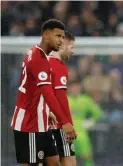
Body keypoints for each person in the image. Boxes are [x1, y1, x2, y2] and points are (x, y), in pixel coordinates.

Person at [10, 19, 77, 166]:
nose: (60, 40)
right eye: (57, 36)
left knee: (53, 161)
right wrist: (65, 122)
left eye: (62, 37)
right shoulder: (39, 59)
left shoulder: (38, 54)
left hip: (41, 121)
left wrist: (48, 112)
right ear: (46, 35)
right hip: (30, 124)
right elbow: (48, 93)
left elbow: (37, 91)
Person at [47, 31, 77, 166]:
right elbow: (60, 98)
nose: (73, 52)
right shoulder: (58, 66)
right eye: (72, 47)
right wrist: (68, 123)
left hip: (46, 123)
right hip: (57, 125)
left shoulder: (43, 63)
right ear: (63, 44)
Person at [67, 81, 104, 166]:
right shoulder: (64, 99)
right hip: (67, 131)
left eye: (76, 87)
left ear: (80, 88)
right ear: (69, 89)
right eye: (72, 88)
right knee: (68, 156)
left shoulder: (86, 99)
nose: (75, 90)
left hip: (81, 131)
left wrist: (91, 121)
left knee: (86, 155)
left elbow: (98, 113)